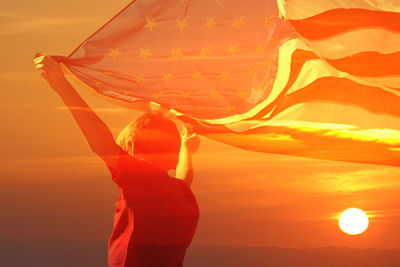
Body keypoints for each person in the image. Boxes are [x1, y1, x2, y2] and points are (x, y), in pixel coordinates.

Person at [33, 54, 200, 267]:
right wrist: (186, 147)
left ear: (131, 147)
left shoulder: (141, 181)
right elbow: (185, 178)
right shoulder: (183, 197)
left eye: (122, 147)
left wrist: (61, 84)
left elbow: (101, 141)